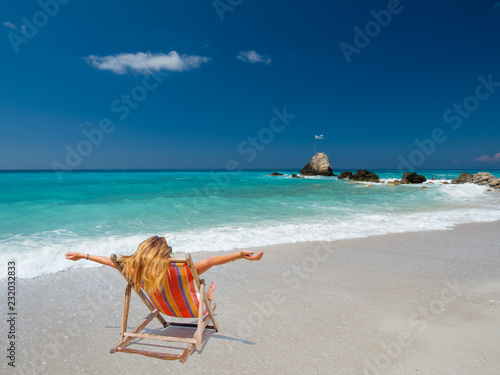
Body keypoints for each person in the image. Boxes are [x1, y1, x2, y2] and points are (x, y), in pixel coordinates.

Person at [65, 235, 264, 301]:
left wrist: (83, 255)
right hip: (192, 309)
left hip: (164, 308)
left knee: (192, 288)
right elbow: (211, 261)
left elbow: (111, 262)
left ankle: (208, 293)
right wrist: (239, 256)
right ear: (166, 254)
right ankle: (209, 296)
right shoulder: (184, 270)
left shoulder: (135, 271)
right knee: (201, 292)